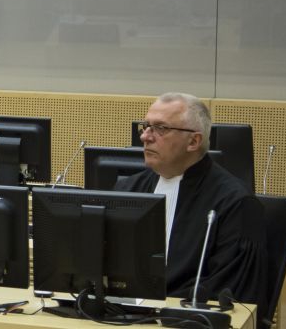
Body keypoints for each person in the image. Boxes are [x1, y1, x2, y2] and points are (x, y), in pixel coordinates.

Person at [114, 93, 269, 316]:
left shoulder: (235, 203)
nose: (146, 137)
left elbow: (229, 293)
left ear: (194, 141)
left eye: (160, 129)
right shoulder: (127, 189)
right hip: (121, 314)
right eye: (145, 126)